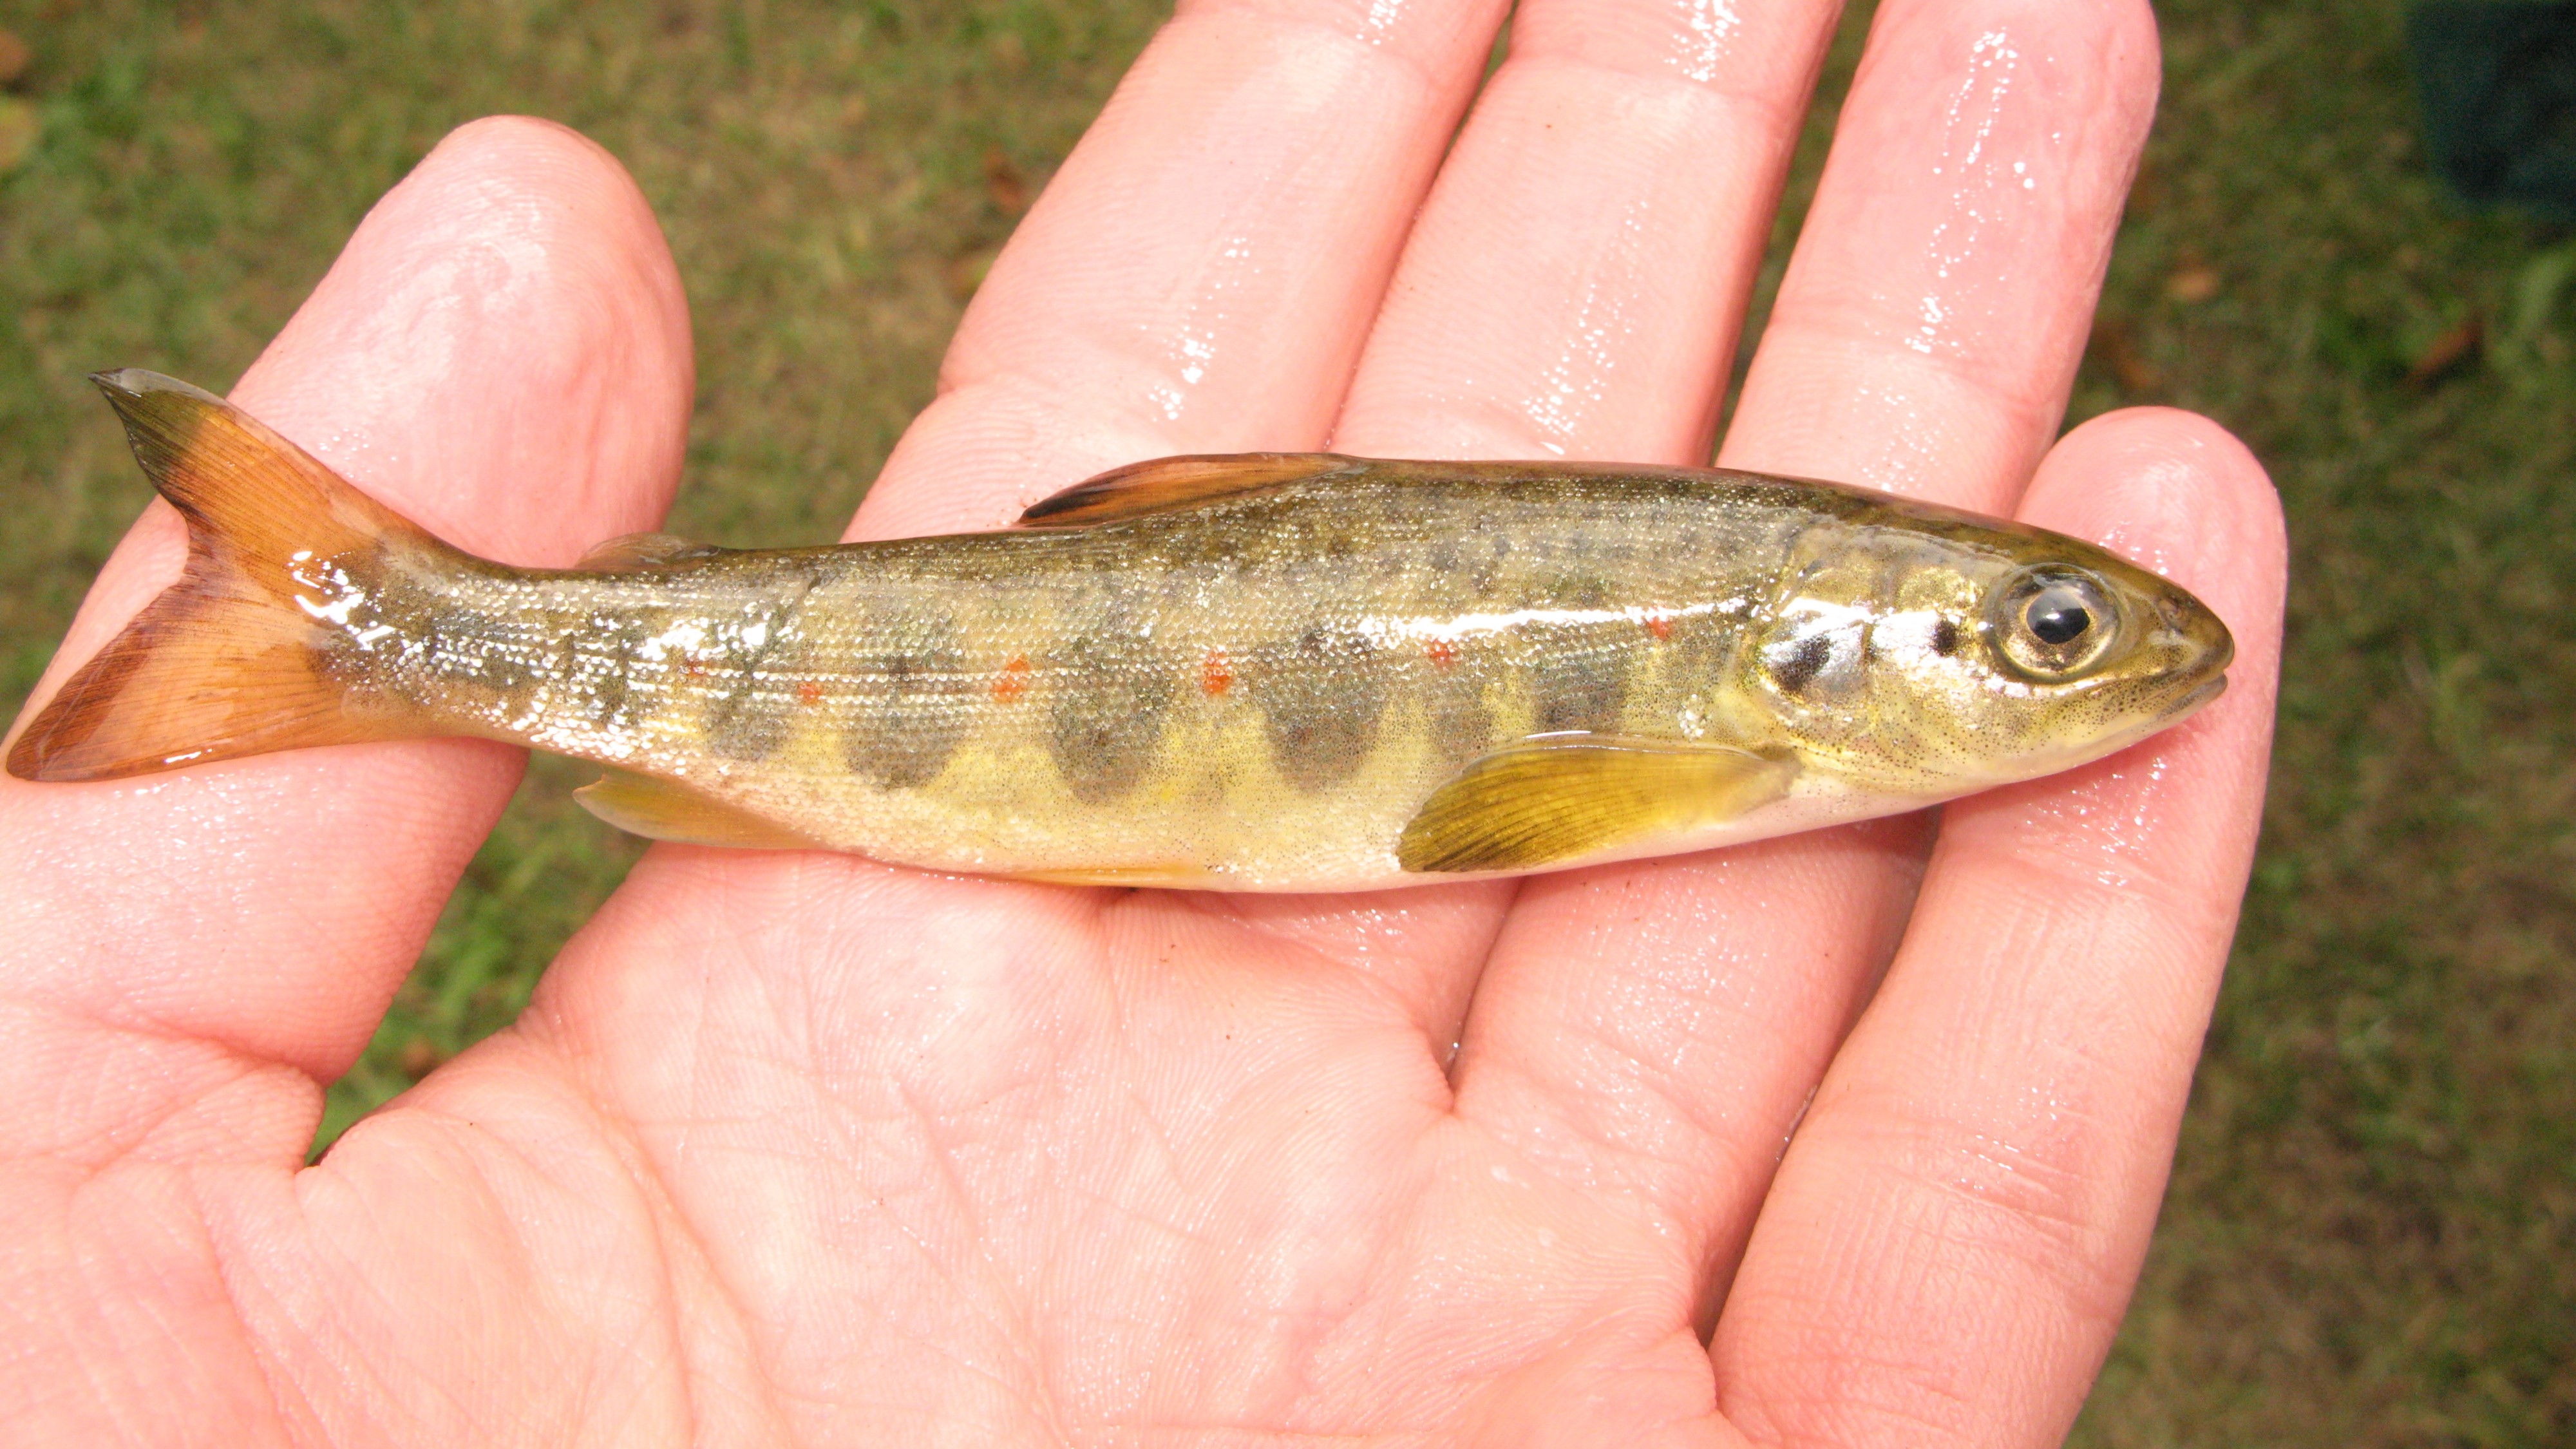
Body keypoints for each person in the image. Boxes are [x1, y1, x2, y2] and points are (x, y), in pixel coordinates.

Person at [0, 0, 2282, 1443]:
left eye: (2043, 631)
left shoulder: (1755, 699)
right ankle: (375, 626)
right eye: (2051, 636)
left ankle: (388, 627)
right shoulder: (1743, 738)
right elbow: (1498, 821)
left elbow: (1503, 812)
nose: (2096, 667)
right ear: (1821, 659)